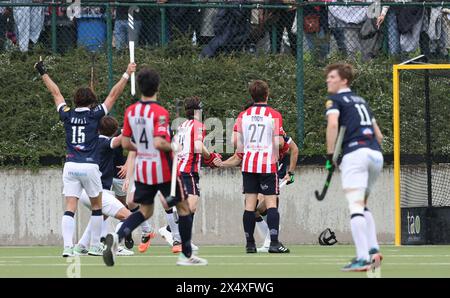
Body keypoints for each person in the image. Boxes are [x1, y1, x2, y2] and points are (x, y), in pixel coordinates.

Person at [102, 67, 208, 266]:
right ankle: (186, 255)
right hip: (163, 169)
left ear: (140, 87)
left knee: (145, 211)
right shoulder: (160, 112)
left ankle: (117, 237)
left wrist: (142, 149)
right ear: (157, 86)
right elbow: (160, 143)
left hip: (143, 169)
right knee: (184, 207)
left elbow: (125, 143)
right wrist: (173, 146)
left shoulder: (131, 111)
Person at [35, 58, 136, 257]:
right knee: (97, 207)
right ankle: (95, 246)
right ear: (91, 102)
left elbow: (55, 92)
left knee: (70, 208)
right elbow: (114, 95)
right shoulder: (95, 114)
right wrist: (126, 73)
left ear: (75, 101)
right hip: (89, 167)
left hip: (70, 165)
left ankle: (67, 247)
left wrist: (43, 72)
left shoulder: (67, 114)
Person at [324, 63, 383, 272]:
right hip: (376, 155)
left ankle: (362, 258)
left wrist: (330, 156)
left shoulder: (336, 100)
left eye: (332, 77)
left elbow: (332, 125)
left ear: (344, 81)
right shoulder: (361, 100)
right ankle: (373, 249)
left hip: (356, 156)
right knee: (363, 204)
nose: (328, 80)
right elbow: (379, 135)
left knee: (355, 207)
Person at [222, 80, 289, 254]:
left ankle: (250, 244)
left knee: (249, 205)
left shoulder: (242, 115)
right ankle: (274, 242)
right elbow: (280, 142)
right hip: (268, 164)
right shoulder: (274, 115)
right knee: (271, 203)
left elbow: (235, 141)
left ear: (251, 96)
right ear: (267, 95)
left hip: (249, 164)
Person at [74, 116, 133, 257]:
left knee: (101, 216)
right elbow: (120, 140)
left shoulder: (91, 141)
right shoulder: (106, 142)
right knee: (130, 217)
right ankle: (112, 245)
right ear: (114, 131)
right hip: (99, 193)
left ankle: (81, 245)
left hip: (86, 192)